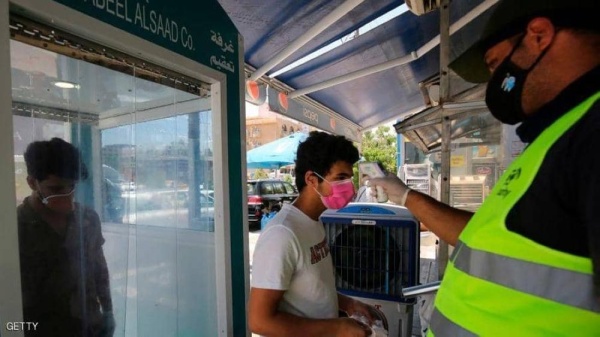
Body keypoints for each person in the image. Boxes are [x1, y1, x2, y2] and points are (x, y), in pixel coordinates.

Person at [370, 0, 600, 335]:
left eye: (495, 66)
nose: (494, 83)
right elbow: (482, 241)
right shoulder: (556, 138)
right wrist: (406, 196)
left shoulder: (589, 132)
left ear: (538, 36)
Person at [248, 131, 376, 337]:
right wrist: (337, 328)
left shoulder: (314, 220)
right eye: (340, 178)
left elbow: (313, 288)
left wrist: (349, 304)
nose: (349, 188)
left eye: (349, 179)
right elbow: (259, 321)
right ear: (311, 179)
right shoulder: (282, 234)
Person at [18, 138, 115, 337]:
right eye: (56, 189)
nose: (67, 195)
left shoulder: (87, 218)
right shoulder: (15, 227)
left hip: (89, 326)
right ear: (32, 183)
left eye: (72, 186)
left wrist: (108, 311)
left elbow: (99, 269)